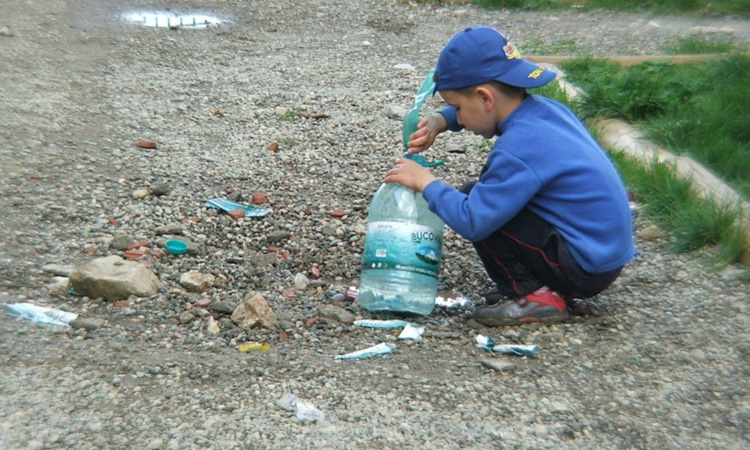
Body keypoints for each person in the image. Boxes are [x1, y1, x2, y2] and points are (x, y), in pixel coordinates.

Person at [384, 26, 635, 326]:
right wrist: (441, 120)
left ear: (485, 98)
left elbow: (473, 220)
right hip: (601, 255)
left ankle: (537, 295)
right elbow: (478, 104)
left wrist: (425, 182)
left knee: (472, 199)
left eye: (457, 108)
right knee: (487, 197)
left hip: (582, 267)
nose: (459, 118)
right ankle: (547, 288)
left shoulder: (517, 149)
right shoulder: (545, 112)